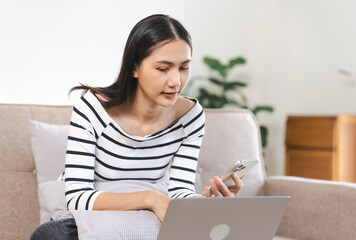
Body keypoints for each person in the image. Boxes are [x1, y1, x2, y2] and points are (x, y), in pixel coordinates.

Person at [30, 14, 244, 240]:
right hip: (94, 217)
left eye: (184, 67)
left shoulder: (190, 117)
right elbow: (77, 197)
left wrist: (208, 204)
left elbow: (179, 191)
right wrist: (150, 199)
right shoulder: (92, 109)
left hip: (147, 220)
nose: (176, 81)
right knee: (50, 235)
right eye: (163, 68)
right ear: (134, 68)